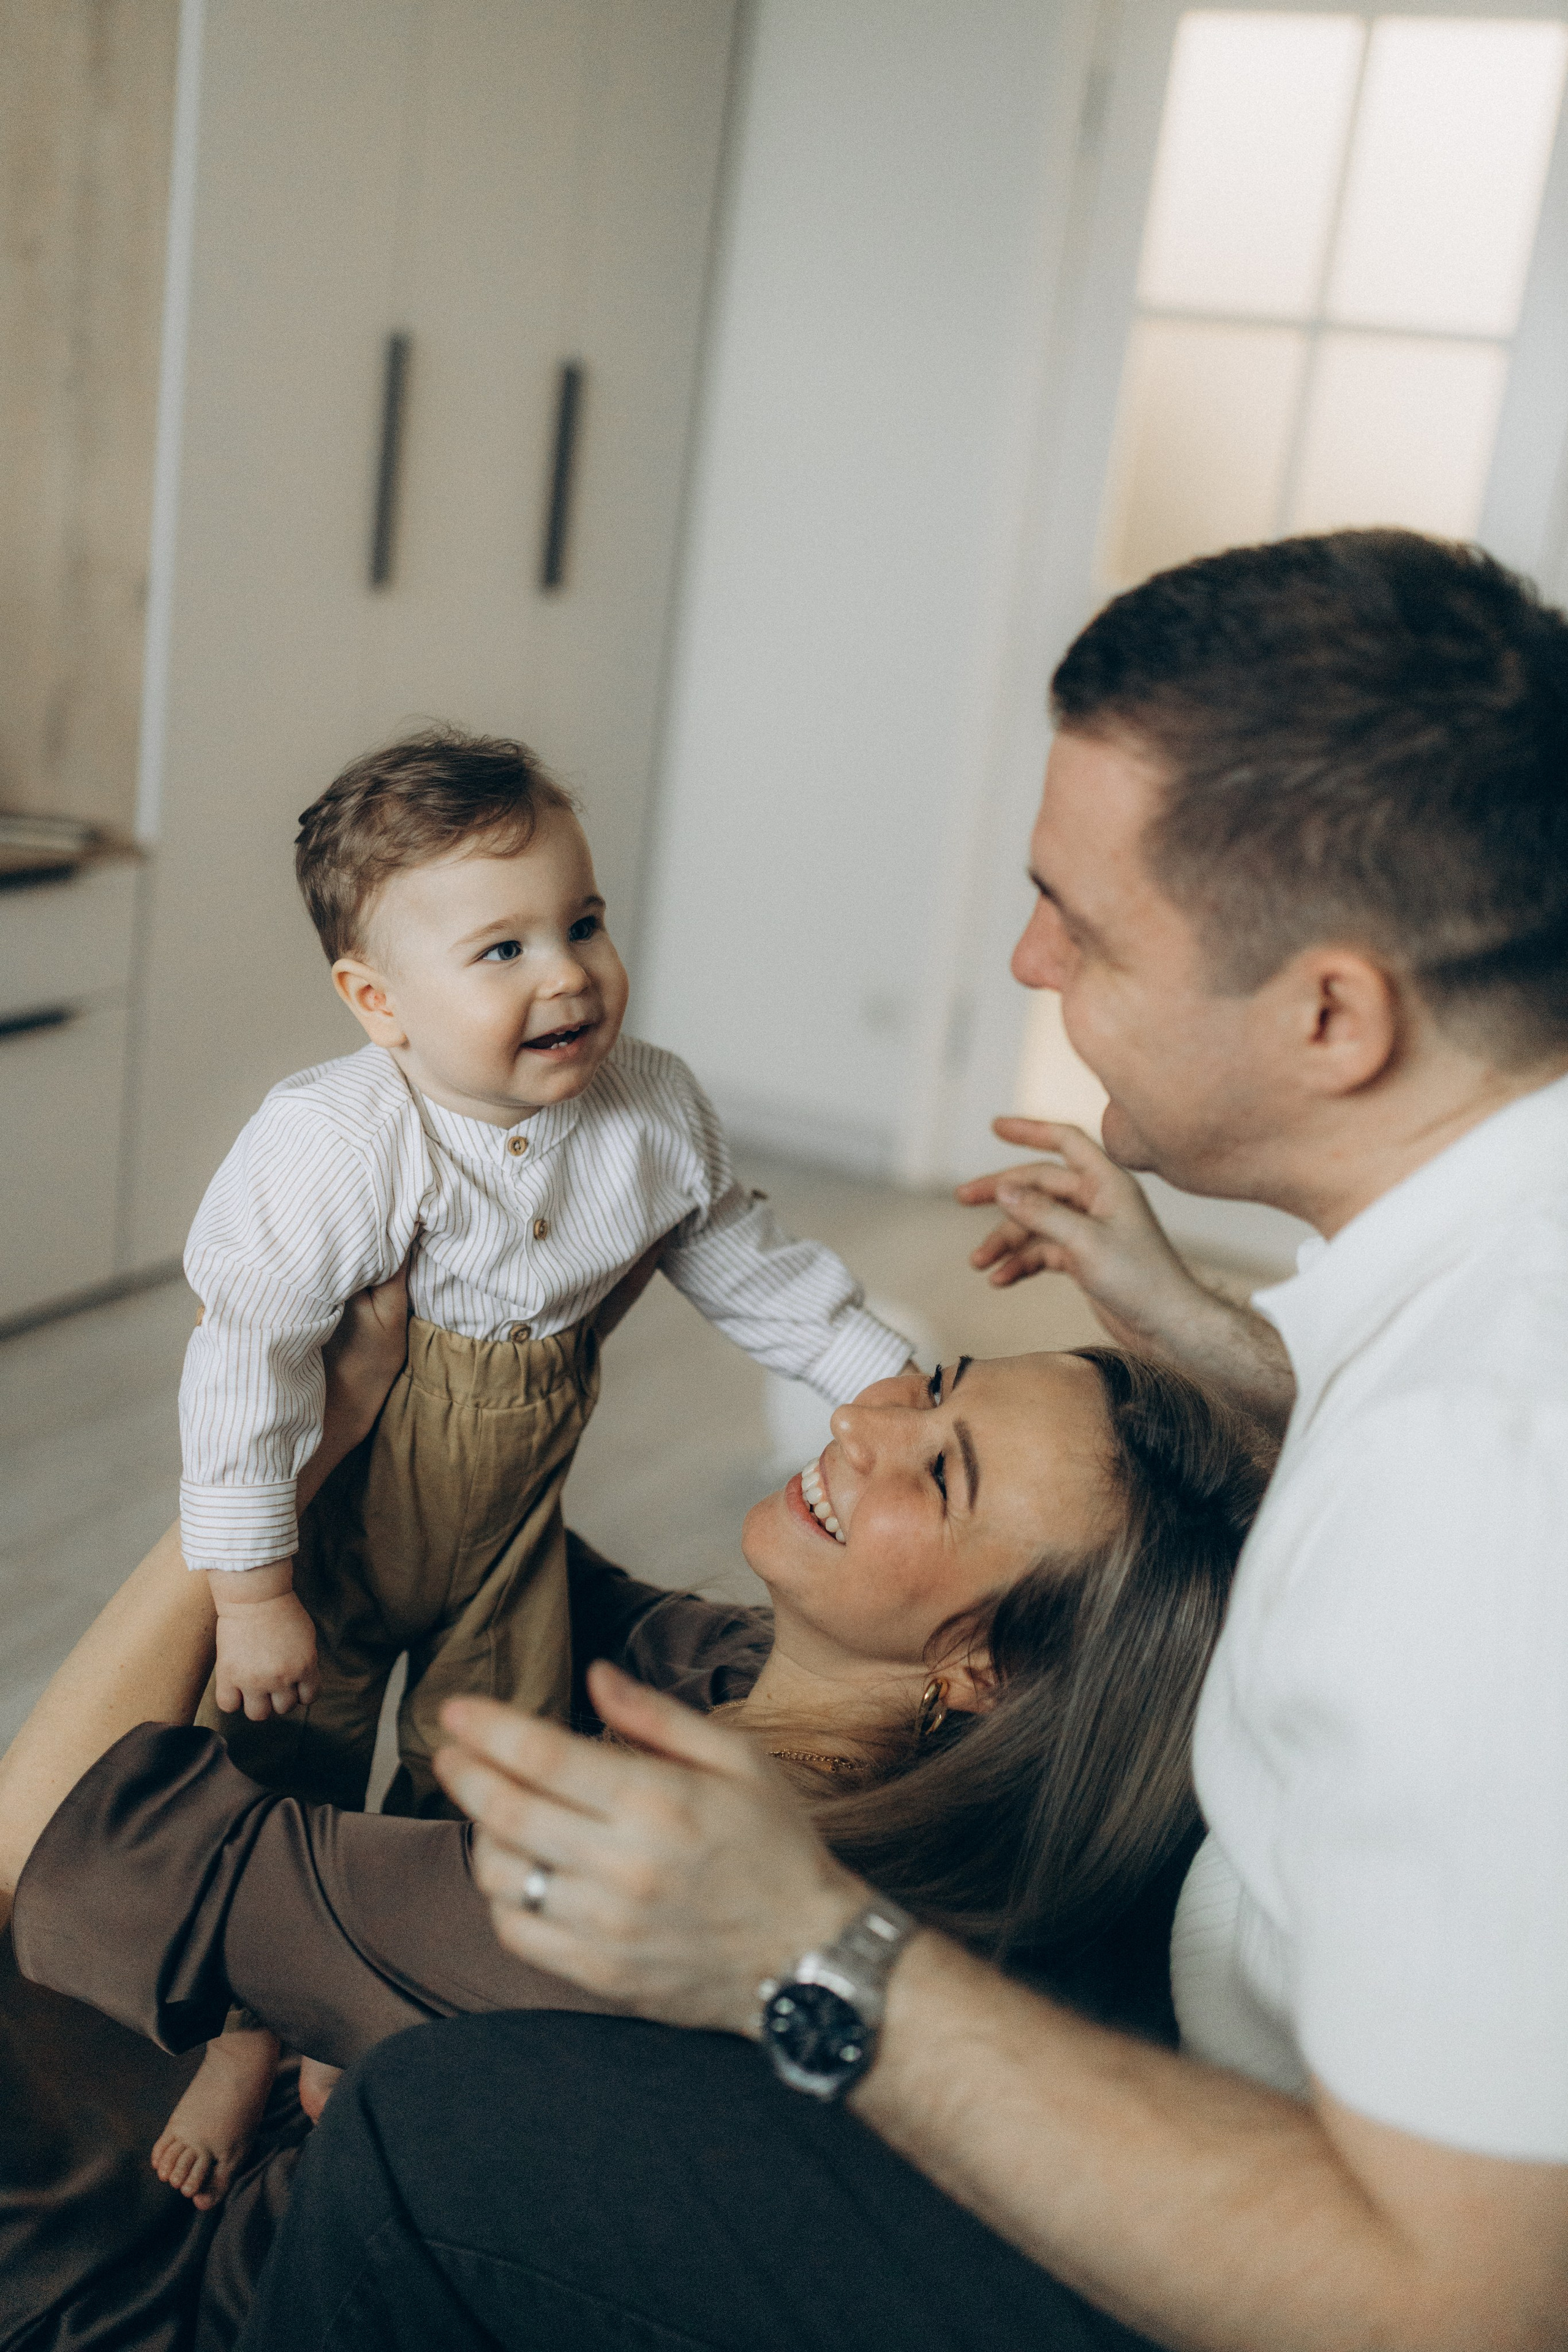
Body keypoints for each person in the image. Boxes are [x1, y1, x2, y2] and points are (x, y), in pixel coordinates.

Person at [241, 529, 1568, 2352]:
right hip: (1241, 1993)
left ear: (1331, 1013)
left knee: (444, 2139)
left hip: (1320, 2244)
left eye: (1082, 924)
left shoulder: (1492, 1500)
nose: (1026, 955)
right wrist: (1215, 1346)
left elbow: (1468, 2310)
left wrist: (815, 1953)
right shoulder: (1506, 1261)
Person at [0, 1277, 1266, 2347]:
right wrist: (521, 1317)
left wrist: (270, 1459)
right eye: (934, 1384)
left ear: (983, 1670)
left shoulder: (651, 1883)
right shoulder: (760, 1689)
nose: (870, 1419)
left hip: (155, 2277)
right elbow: (489, 1542)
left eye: (940, 1475)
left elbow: (45, 1837)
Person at [167, 725, 913, 2192]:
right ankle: (245, 2027)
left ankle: (364, 1997)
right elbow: (244, 1365)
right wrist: (250, 1588)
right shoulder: (333, 1145)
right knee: (282, 1763)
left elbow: (752, 1268)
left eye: (580, 923)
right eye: (498, 950)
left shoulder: (648, 1110)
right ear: (377, 1002)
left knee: (482, 1767)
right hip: (337, 1525)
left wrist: (881, 1386)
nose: (566, 973)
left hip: (510, 1534)